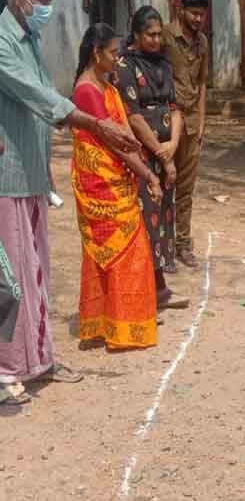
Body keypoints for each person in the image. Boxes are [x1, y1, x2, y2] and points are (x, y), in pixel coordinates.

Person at [0, 0, 141, 405]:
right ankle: (6, 370)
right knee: (12, 280)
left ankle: (38, 359)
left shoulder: (30, 38)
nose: (48, 7)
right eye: (43, 0)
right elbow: (40, 98)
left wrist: (46, 164)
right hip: (8, 177)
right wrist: (97, 124)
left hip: (33, 175)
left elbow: (38, 114)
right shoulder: (4, 44)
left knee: (38, 269)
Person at [71, 23, 162, 351]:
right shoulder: (86, 91)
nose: (117, 60)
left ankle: (113, 325)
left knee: (123, 253)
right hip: (100, 188)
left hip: (117, 180)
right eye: (112, 54)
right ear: (97, 54)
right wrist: (149, 176)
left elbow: (123, 139)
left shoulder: (106, 86)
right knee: (128, 252)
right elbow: (116, 144)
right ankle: (121, 329)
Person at [115, 6, 190, 311]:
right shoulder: (125, 67)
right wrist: (160, 152)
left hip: (166, 153)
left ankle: (159, 288)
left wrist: (172, 144)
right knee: (146, 219)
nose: (157, 40)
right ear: (136, 34)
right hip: (142, 156)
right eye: (150, 34)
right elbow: (133, 117)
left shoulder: (164, 65)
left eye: (160, 34)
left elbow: (174, 108)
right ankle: (144, 292)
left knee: (164, 219)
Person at [161, 0, 209, 271]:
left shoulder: (203, 42)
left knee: (186, 189)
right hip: (166, 126)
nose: (198, 19)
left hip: (192, 124)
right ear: (181, 10)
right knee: (164, 184)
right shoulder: (165, 36)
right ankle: (163, 246)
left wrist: (202, 123)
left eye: (202, 15)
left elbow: (202, 83)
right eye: (193, 14)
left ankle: (182, 243)